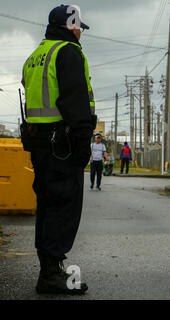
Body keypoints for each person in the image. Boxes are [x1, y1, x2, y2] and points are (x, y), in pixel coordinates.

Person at [21, 4, 95, 294]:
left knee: (48, 206)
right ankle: (51, 274)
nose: (80, 32)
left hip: (40, 144)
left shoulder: (35, 56)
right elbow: (75, 100)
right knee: (64, 206)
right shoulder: (68, 52)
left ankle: (49, 269)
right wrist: (83, 142)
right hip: (62, 145)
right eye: (78, 26)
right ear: (68, 26)